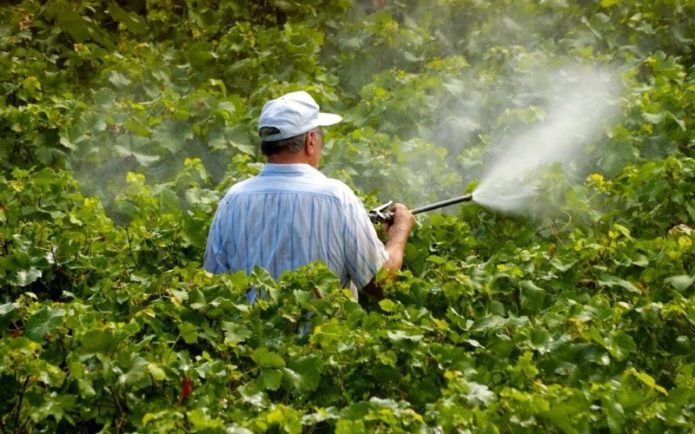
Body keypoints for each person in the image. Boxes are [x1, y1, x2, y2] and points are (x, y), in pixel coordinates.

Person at [204, 90, 414, 301]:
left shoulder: (233, 200)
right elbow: (380, 284)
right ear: (310, 140)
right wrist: (399, 232)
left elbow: (213, 288)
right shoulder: (337, 198)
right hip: (323, 335)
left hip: (251, 334)